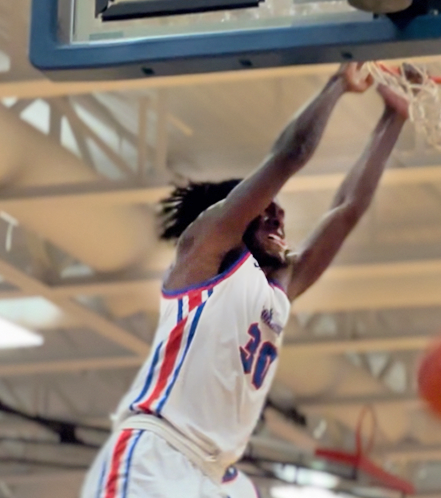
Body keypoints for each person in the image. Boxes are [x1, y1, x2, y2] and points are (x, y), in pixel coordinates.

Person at [80, 63, 409, 498]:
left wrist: (395, 116)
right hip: (157, 455)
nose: (278, 213)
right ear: (234, 216)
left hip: (219, 478)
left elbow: (347, 209)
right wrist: (337, 85)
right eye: (265, 208)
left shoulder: (277, 291)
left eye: (279, 209)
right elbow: (289, 156)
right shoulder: (203, 256)